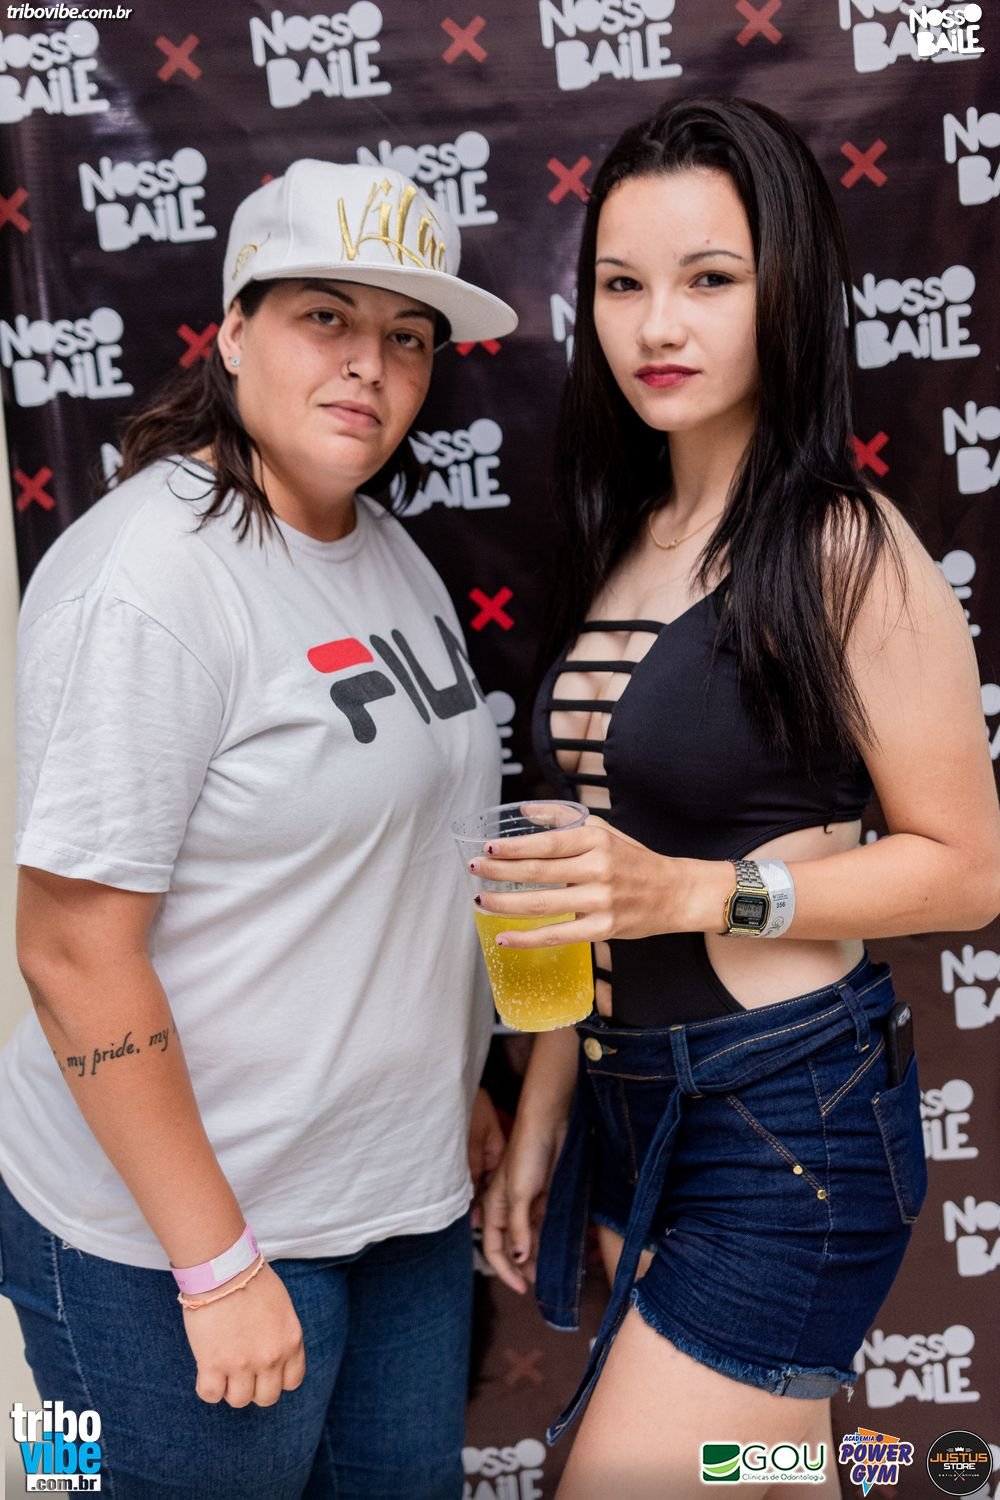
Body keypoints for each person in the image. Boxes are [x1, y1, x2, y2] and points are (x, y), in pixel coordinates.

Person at [478, 97, 1000, 1498]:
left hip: (785, 1121)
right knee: (758, 1478)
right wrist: (547, 1105)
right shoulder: (623, 535)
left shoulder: (844, 544)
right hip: (627, 1102)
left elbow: (966, 871)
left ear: (788, 293)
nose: (659, 325)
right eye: (622, 284)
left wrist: (699, 891)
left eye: (710, 279)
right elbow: (585, 872)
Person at [0, 159, 516, 1500]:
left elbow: (390, 863)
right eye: (324, 317)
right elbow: (69, 952)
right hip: (166, 1244)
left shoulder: (386, 551)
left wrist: (445, 1077)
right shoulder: (150, 578)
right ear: (232, 331)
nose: (370, 366)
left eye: (408, 336)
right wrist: (217, 1267)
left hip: (393, 1206)